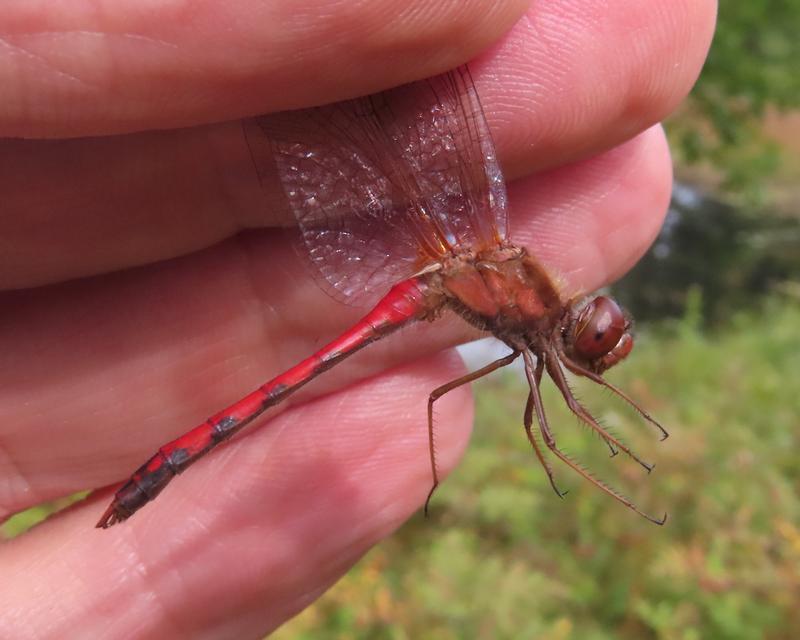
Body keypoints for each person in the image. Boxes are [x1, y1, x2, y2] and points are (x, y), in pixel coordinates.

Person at [0, 0, 716, 637]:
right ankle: (164, 466)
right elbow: (553, 427)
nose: (601, 341)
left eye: (603, 338)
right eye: (601, 334)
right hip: (430, 281)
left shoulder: (528, 312)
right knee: (537, 426)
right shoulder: (524, 297)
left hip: (437, 276)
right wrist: (625, 446)